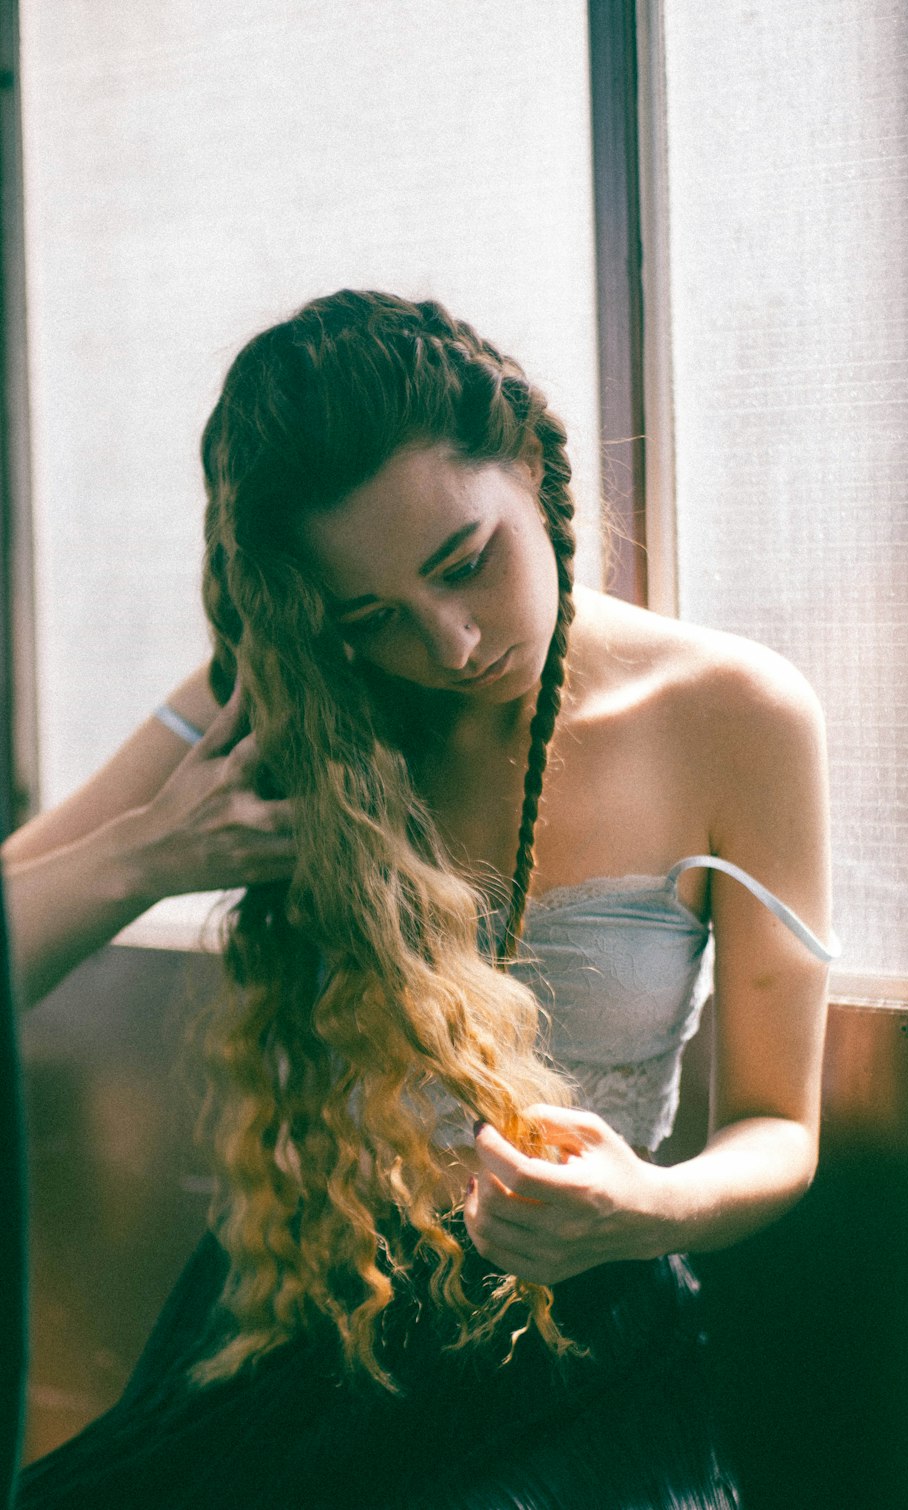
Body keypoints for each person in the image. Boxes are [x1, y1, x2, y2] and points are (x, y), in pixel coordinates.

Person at [10, 289, 836, 1508]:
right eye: (373, 616)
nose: (449, 644)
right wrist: (149, 854)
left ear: (532, 461)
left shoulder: (736, 714)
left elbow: (782, 1127)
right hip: (299, 1336)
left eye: (468, 564)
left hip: (574, 1361)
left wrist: (642, 1204)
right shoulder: (284, 697)